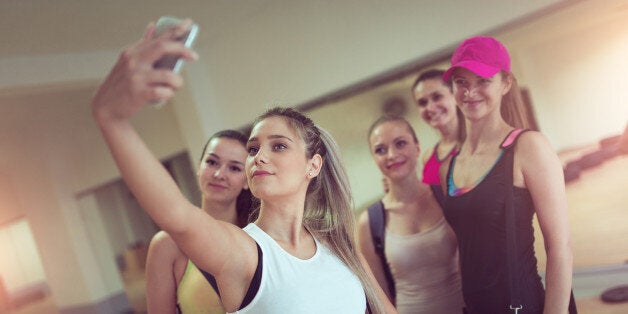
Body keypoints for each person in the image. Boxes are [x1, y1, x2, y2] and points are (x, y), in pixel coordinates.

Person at [91, 19, 395, 314]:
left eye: (278, 146)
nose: (259, 157)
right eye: (253, 149)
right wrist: (112, 120)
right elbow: (177, 216)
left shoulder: (338, 243)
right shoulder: (243, 252)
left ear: (313, 165)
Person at [439, 35, 573, 313]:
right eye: (461, 82)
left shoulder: (528, 148)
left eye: (483, 81)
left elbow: (560, 248)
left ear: (506, 83)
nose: (470, 92)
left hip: (524, 306)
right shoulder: (448, 167)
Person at [357, 115, 464, 313]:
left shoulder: (448, 197)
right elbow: (381, 298)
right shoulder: (368, 223)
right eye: (381, 149)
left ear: (416, 147)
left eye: (400, 143)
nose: (391, 154)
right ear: (374, 159)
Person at [145, 129, 253, 313]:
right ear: (198, 167)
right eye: (212, 162)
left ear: (247, 181)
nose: (219, 174)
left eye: (234, 168)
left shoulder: (257, 237)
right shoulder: (167, 244)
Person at [411, 69, 465, 204]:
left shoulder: (478, 143)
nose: (430, 107)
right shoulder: (428, 157)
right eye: (422, 103)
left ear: (455, 95)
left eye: (437, 97)